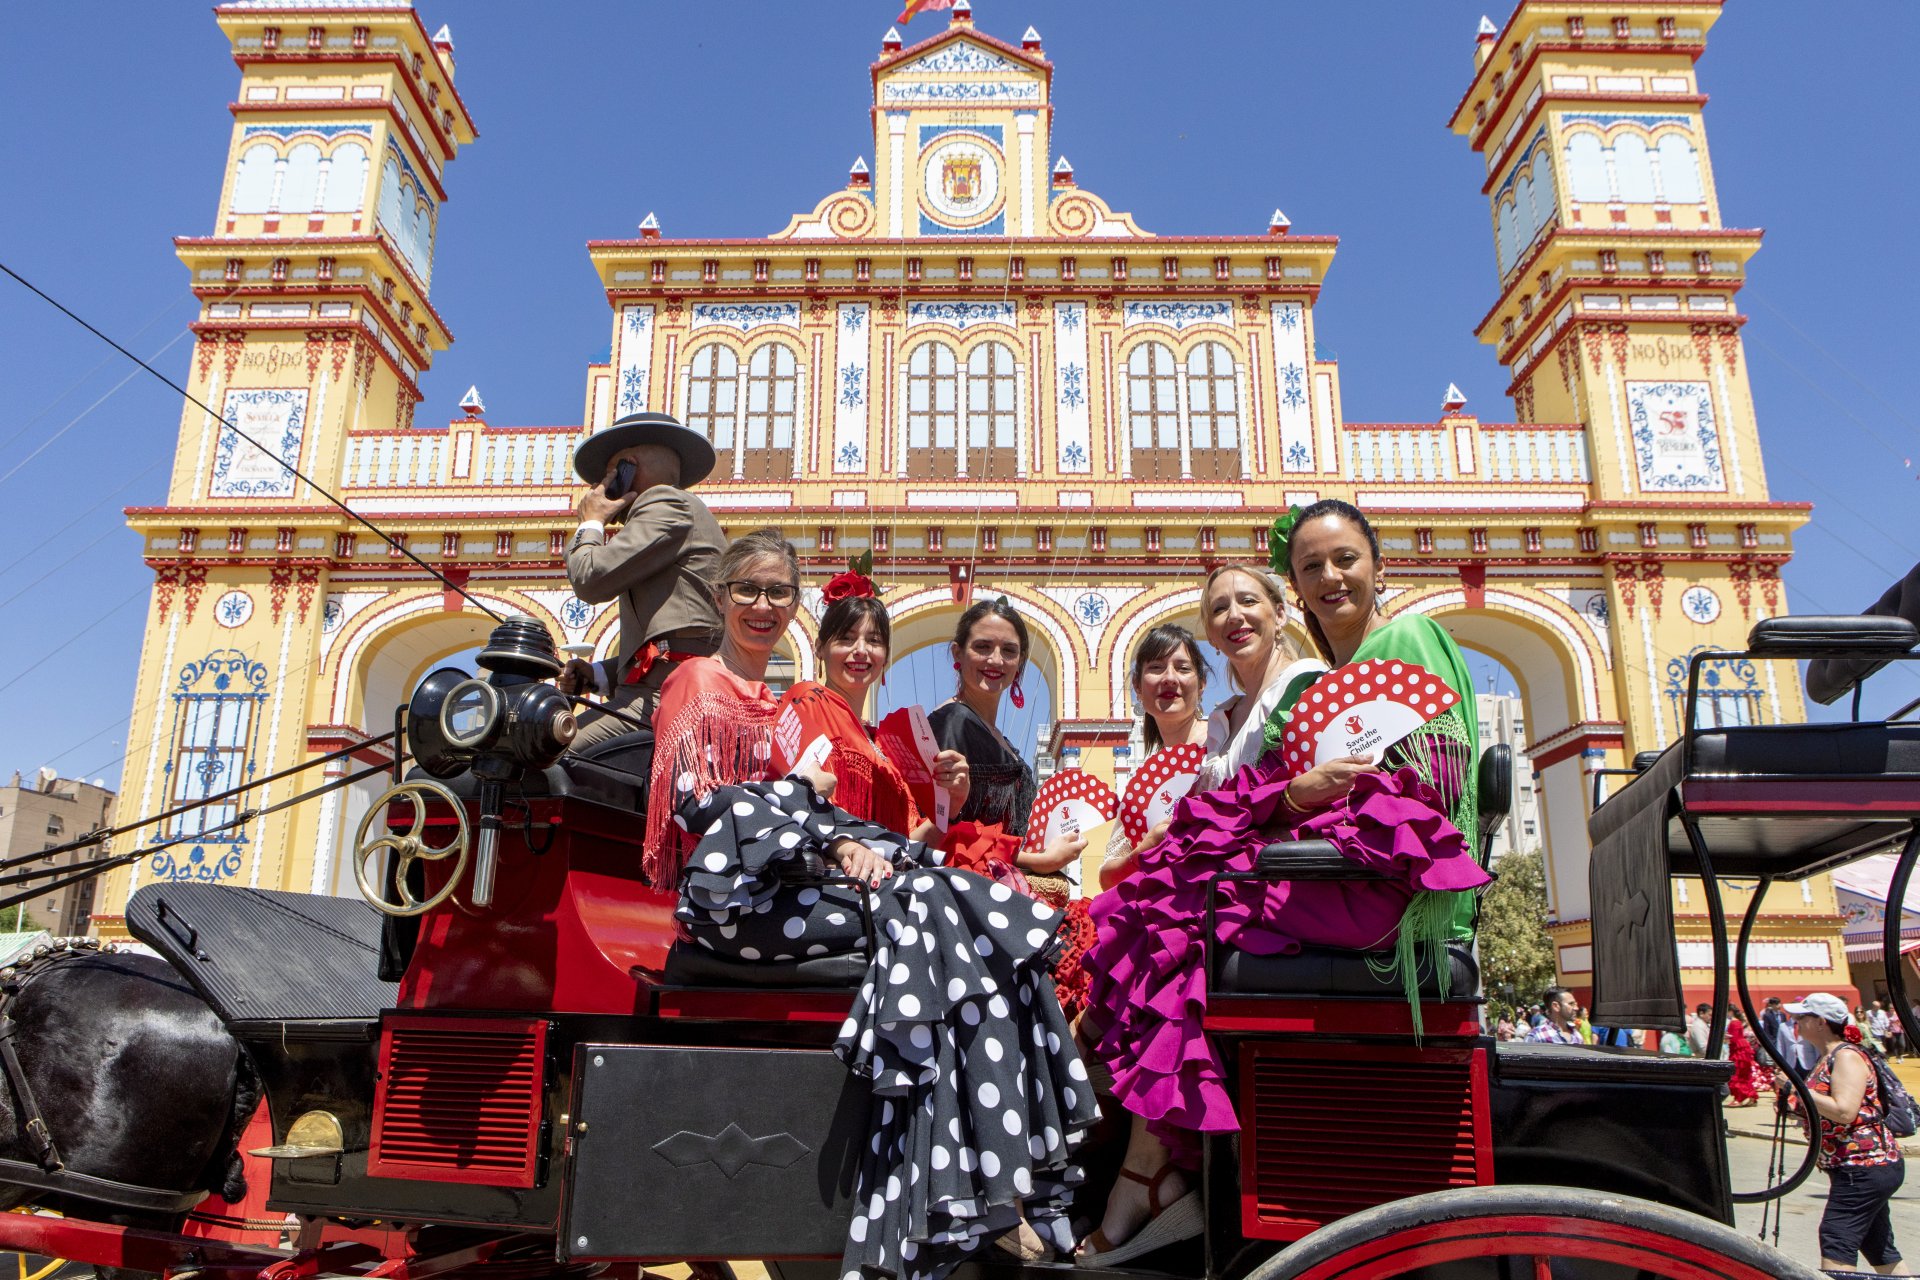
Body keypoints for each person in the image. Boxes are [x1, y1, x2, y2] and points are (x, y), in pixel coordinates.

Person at [649, 532, 1099, 1278]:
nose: (764, 606)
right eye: (748, 590)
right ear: (721, 596)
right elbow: (703, 809)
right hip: (744, 894)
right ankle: (992, 1180)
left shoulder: (788, 706)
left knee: (952, 903)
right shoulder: (714, 685)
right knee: (944, 911)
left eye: (778, 593)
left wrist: (908, 831)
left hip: (803, 882)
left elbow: (846, 824)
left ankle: (989, 1175)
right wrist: (827, 834)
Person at [1077, 500, 1491, 1263]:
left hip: (1390, 900)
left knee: (1184, 913)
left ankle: (1140, 1157)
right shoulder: (1339, 673)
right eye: (1312, 567)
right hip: (1340, 876)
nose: (1330, 577)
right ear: (1297, 588)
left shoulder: (1401, 640)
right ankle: (1143, 1144)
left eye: (1345, 560)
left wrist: (1282, 813)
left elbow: (1424, 801)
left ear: (1379, 565)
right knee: (1167, 892)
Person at [927, 597, 1096, 1018]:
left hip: (1012, 884)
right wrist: (1042, 860)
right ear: (957, 653)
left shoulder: (996, 734)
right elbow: (954, 834)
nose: (995, 660)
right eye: (982, 647)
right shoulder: (952, 723)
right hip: (975, 896)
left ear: (1020, 663)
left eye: (1009, 650)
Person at [560, 412, 727, 748]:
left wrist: (591, 522)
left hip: (666, 697)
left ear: (627, 468)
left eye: (611, 472)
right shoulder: (678, 510)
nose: (602, 484)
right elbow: (671, 636)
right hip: (660, 690)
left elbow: (589, 579)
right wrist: (599, 675)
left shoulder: (663, 502)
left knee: (549, 751)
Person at [772, 566, 970, 842]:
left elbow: (912, 842)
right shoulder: (807, 701)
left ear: (885, 655)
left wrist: (951, 805)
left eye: (874, 641)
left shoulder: (887, 745)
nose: (861, 650)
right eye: (847, 638)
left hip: (887, 875)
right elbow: (799, 795)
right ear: (819, 647)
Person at [1773, 993, 1908, 1276]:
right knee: (1878, 1245)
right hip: (1859, 1166)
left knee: (1836, 1237)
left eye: (1802, 1018)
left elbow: (1845, 1111)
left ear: (1821, 1022)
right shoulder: (1829, 1057)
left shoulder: (1846, 1056)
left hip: (1864, 1166)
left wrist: (1797, 1088)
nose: (1795, 1022)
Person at [1098, 624, 1213, 890]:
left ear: (1202, 683)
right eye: (1156, 668)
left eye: (1183, 668)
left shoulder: (1226, 743)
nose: (1170, 678)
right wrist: (1146, 848)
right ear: (1137, 686)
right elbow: (1107, 877)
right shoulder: (1146, 781)